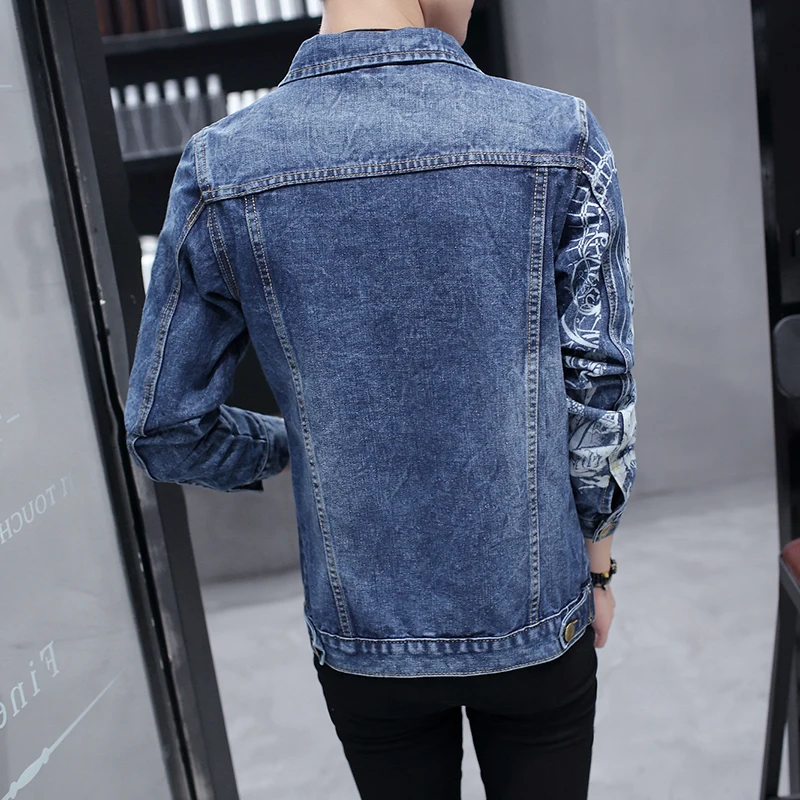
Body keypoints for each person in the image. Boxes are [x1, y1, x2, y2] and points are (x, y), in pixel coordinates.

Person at [123, 0, 637, 796]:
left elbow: (164, 427)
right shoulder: (557, 135)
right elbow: (598, 386)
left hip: (364, 637)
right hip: (536, 619)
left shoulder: (222, 166)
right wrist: (597, 572)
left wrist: (300, 442)